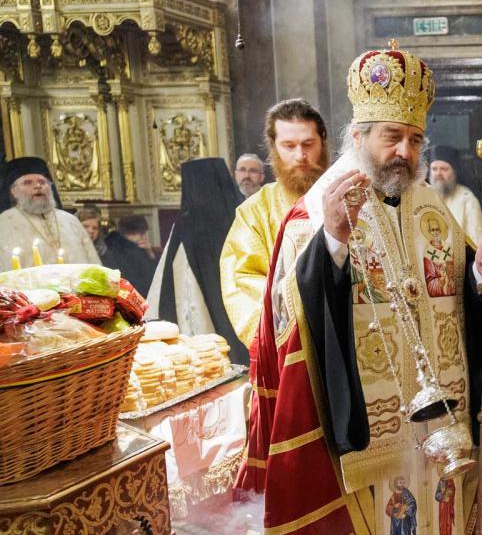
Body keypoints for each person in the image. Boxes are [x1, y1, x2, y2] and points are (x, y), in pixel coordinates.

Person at [235, 45, 482, 535]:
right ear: (358, 135)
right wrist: (333, 242)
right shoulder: (316, 211)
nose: (404, 152)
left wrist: (481, 275)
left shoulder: (431, 209)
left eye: (414, 139)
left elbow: (458, 301)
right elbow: (289, 321)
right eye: (392, 136)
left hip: (435, 427)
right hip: (362, 433)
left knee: (434, 529)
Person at [220, 98, 330, 348]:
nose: (300, 156)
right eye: (289, 146)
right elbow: (242, 283)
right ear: (273, 147)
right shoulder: (254, 212)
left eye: (308, 144)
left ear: (323, 141)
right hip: (288, 347)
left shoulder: (351, 196)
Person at [147, 158, 248, 364]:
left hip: (206, 324)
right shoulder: (241, 212)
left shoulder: (187, 223)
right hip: (242, 307)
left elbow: (179, 280)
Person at [0, 157, 100, 268]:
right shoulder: (5, 223)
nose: (38, 186)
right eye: (28, 183)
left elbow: (93, 260)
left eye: (42, 182)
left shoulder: (70, 220)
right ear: (14, 191)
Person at [428, 145, 482, 245]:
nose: (438, 173)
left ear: (454, 172)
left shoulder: (467, 199)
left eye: (444, 169)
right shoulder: (424, 195)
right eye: (434, 169)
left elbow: (477, 243)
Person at [100, 215, 158, 297]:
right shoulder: (131, 251)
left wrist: (149, 251)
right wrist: (148, 254)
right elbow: (154, 279)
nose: (144, 237)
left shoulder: (111, 246)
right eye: (142, 233)